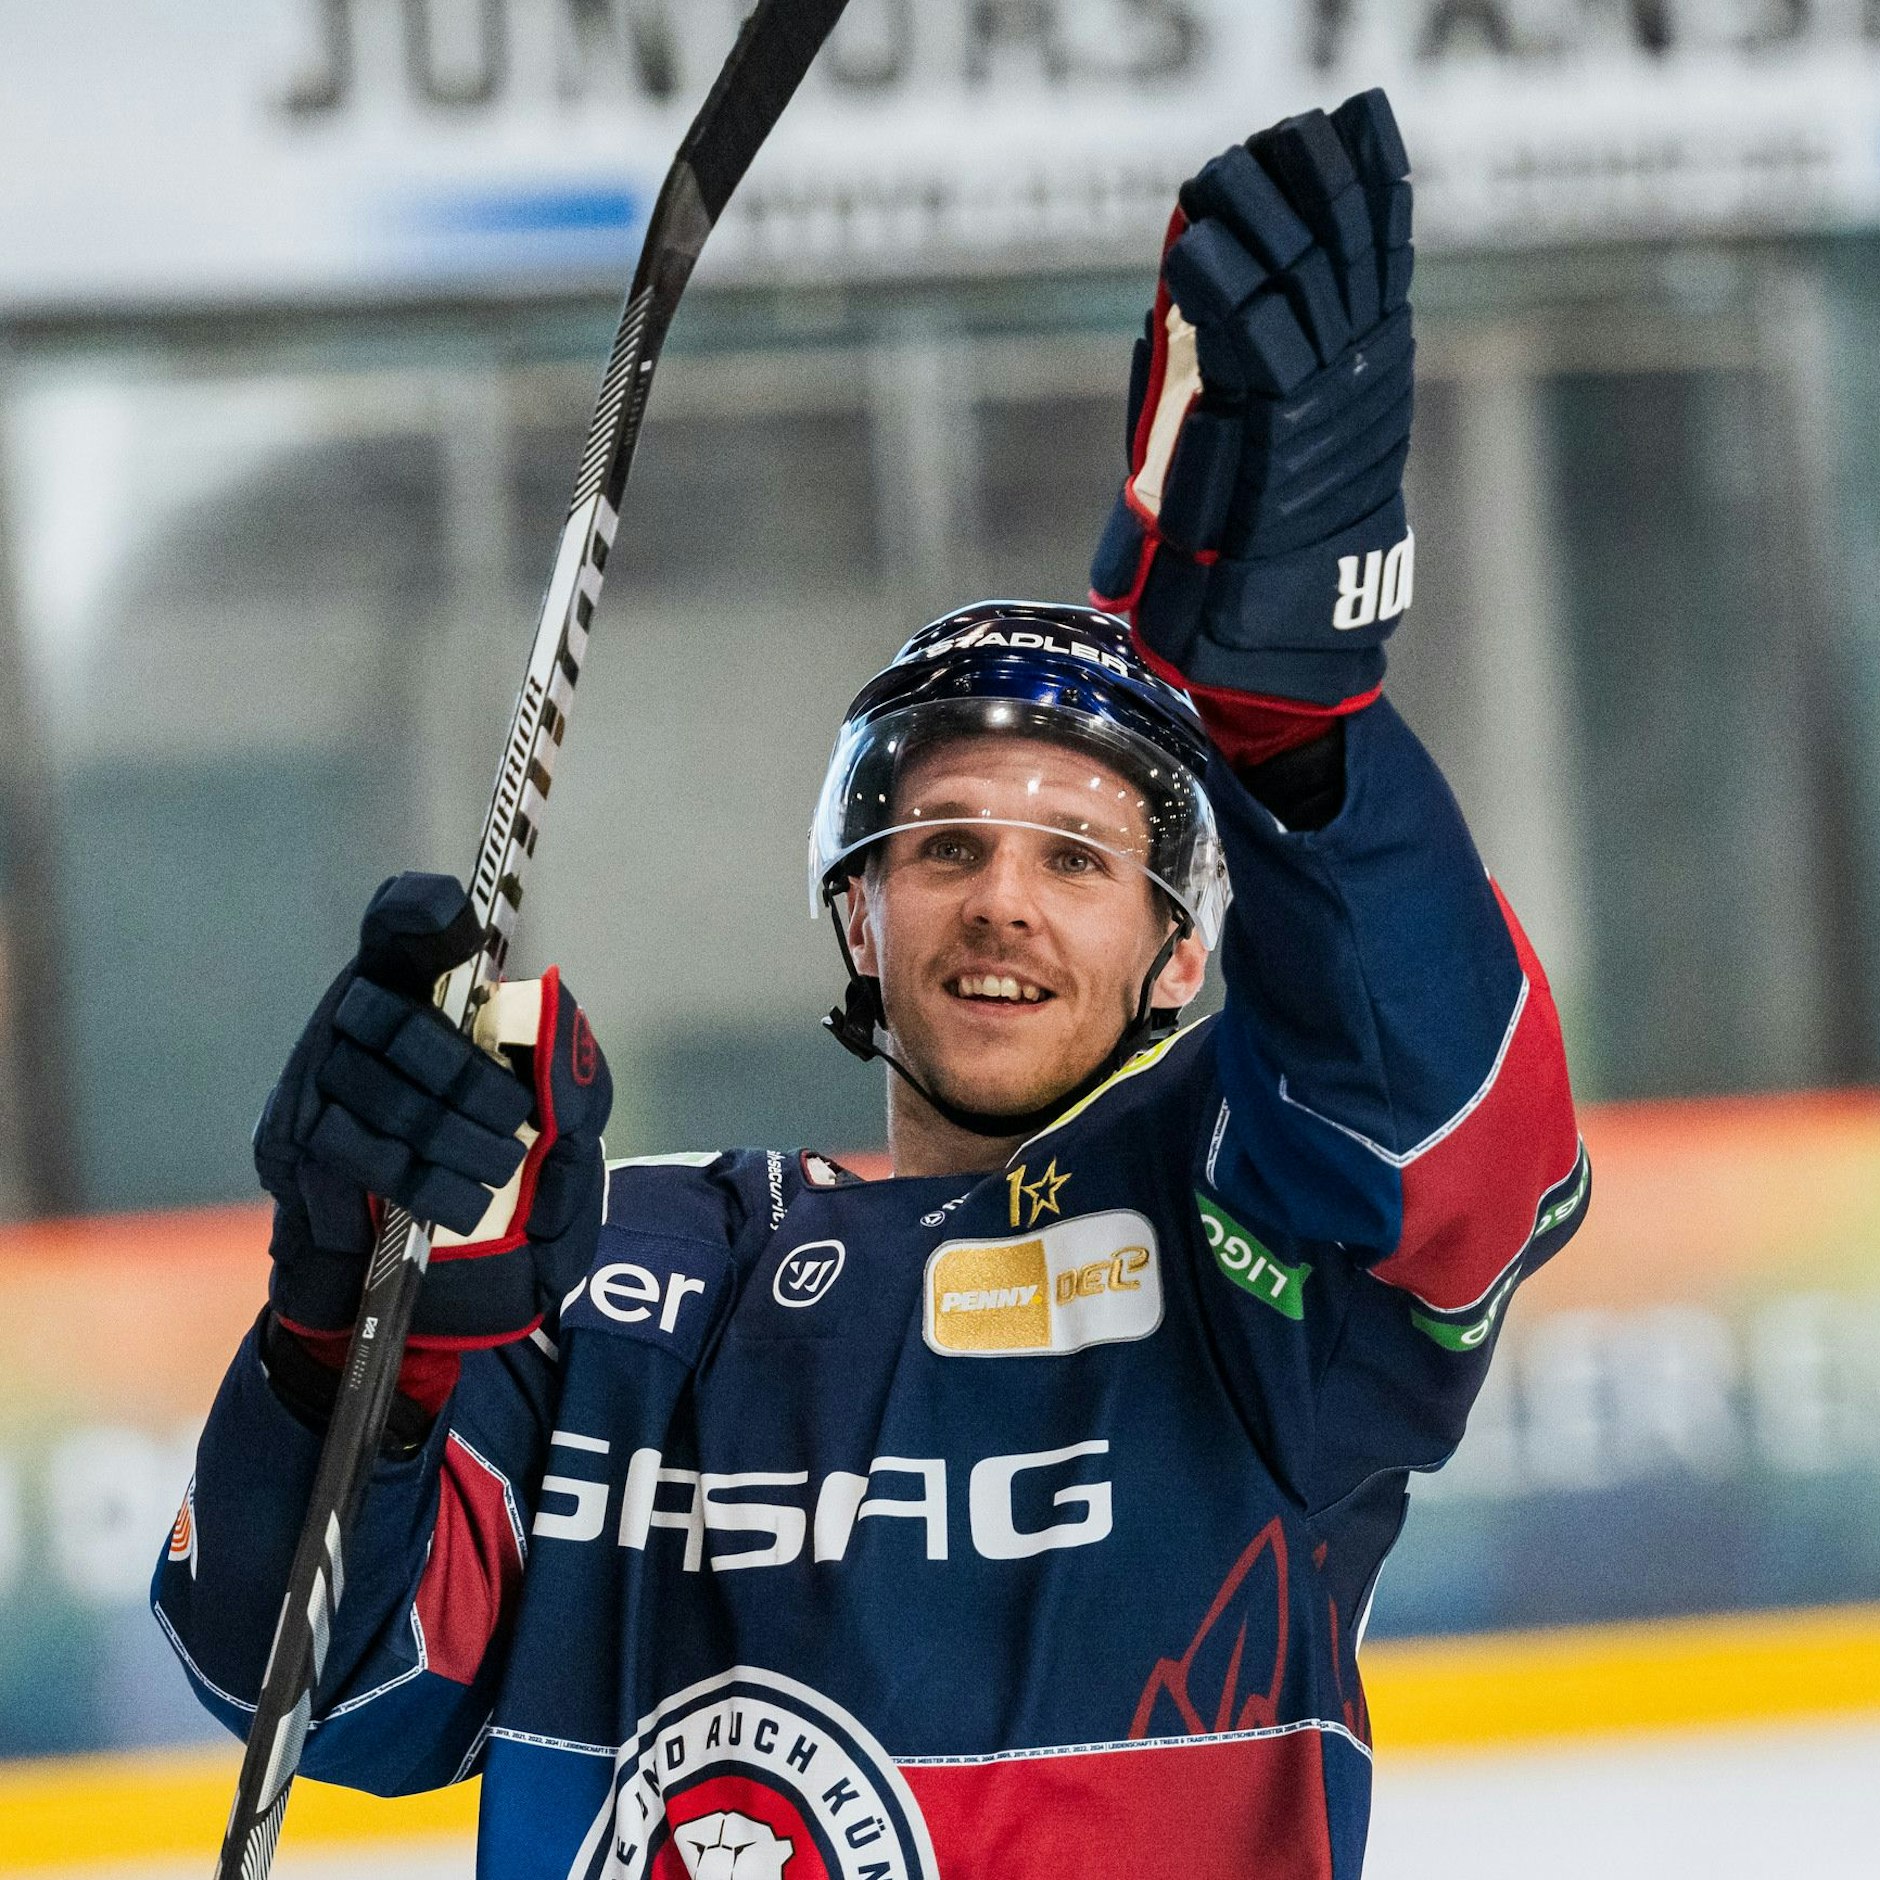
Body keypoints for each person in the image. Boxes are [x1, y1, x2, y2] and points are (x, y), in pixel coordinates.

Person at [155, 92, 1586, 1879]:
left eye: (1081, 860)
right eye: (944, 846)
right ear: (859, 910)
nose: (1003, 903)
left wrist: (1298, 742)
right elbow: (327, 1688)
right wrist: (344, 1345)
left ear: (1186, 943)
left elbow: (1457, 1155)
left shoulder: (1248, 1259)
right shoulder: (610, 1274)